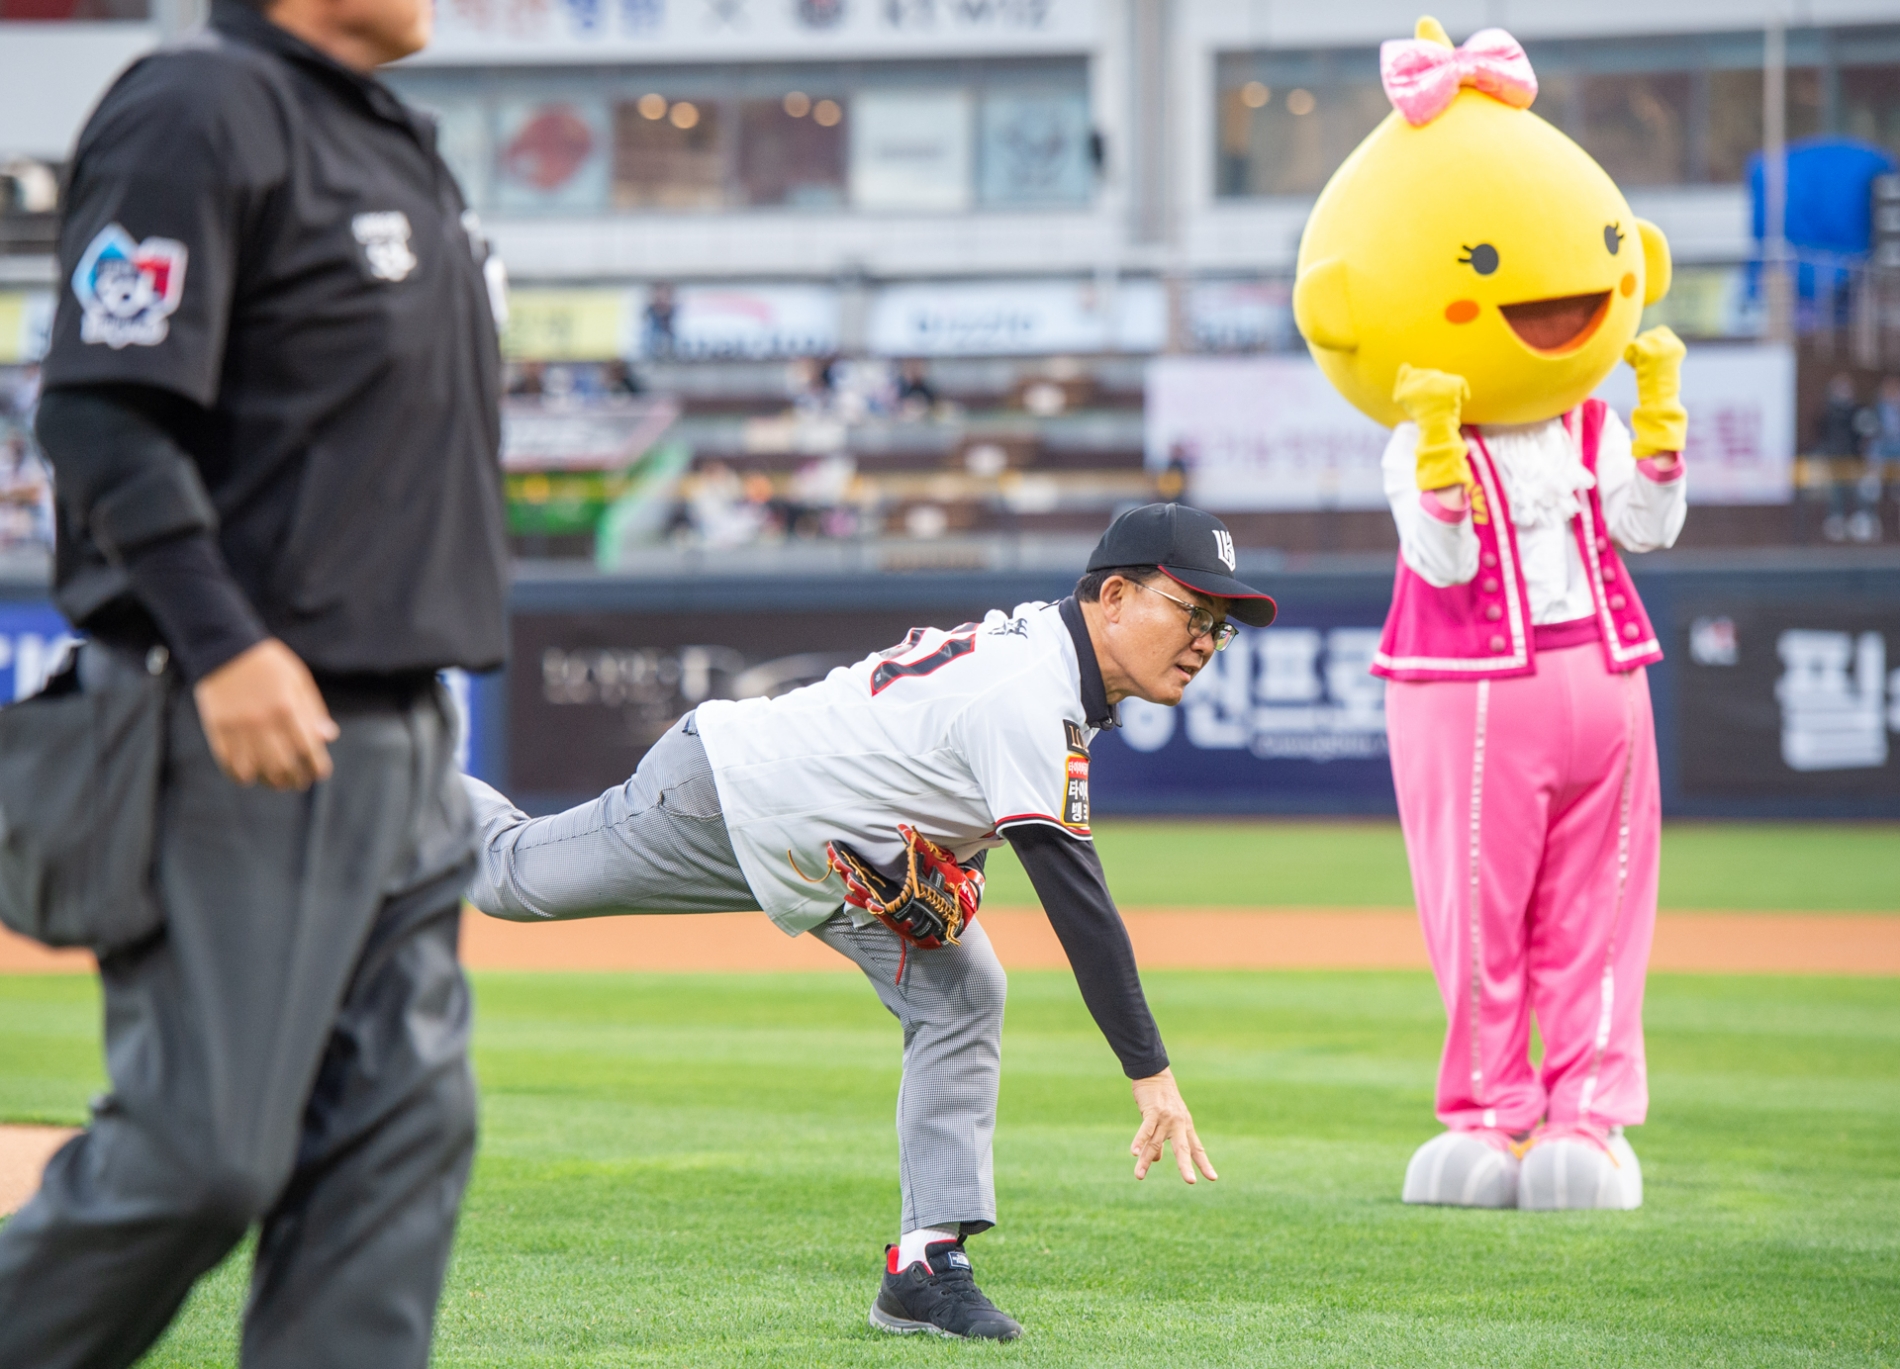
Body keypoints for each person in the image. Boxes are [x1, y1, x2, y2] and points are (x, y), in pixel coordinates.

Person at [0, 0, 510, 1362]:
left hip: (403, 729)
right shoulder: (200, 104)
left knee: (398, 1149)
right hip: (237, 720)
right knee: (203, 1155)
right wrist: (221, 640)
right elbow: (101, 401)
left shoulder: (389, 136)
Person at [462, 503, 1277, 1341]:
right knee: (508, 875)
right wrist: (1153, 1077)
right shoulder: (1028, 691)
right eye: (1192, 612)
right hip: (729, 793)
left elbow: (936, 766)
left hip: (837, 858)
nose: (1207, 640)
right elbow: (1081, 906)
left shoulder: (1052, 661)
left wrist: (963, 865)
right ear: (1113, 596)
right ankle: (401, 755)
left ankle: (926, 1264)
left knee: (964, 990)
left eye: (1221, 625)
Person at [1292, 18, 1686, 1210]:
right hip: (1471, 686)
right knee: (1474, 909)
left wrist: (1659, 439)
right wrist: (1433, 465)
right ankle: (1489, 1116)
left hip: (1601, 670)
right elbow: (1443, 557)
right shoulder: (1420, 435)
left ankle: (1589, 1120)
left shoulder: (1585, 419)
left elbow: (1645, 530)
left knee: (1604, 906)